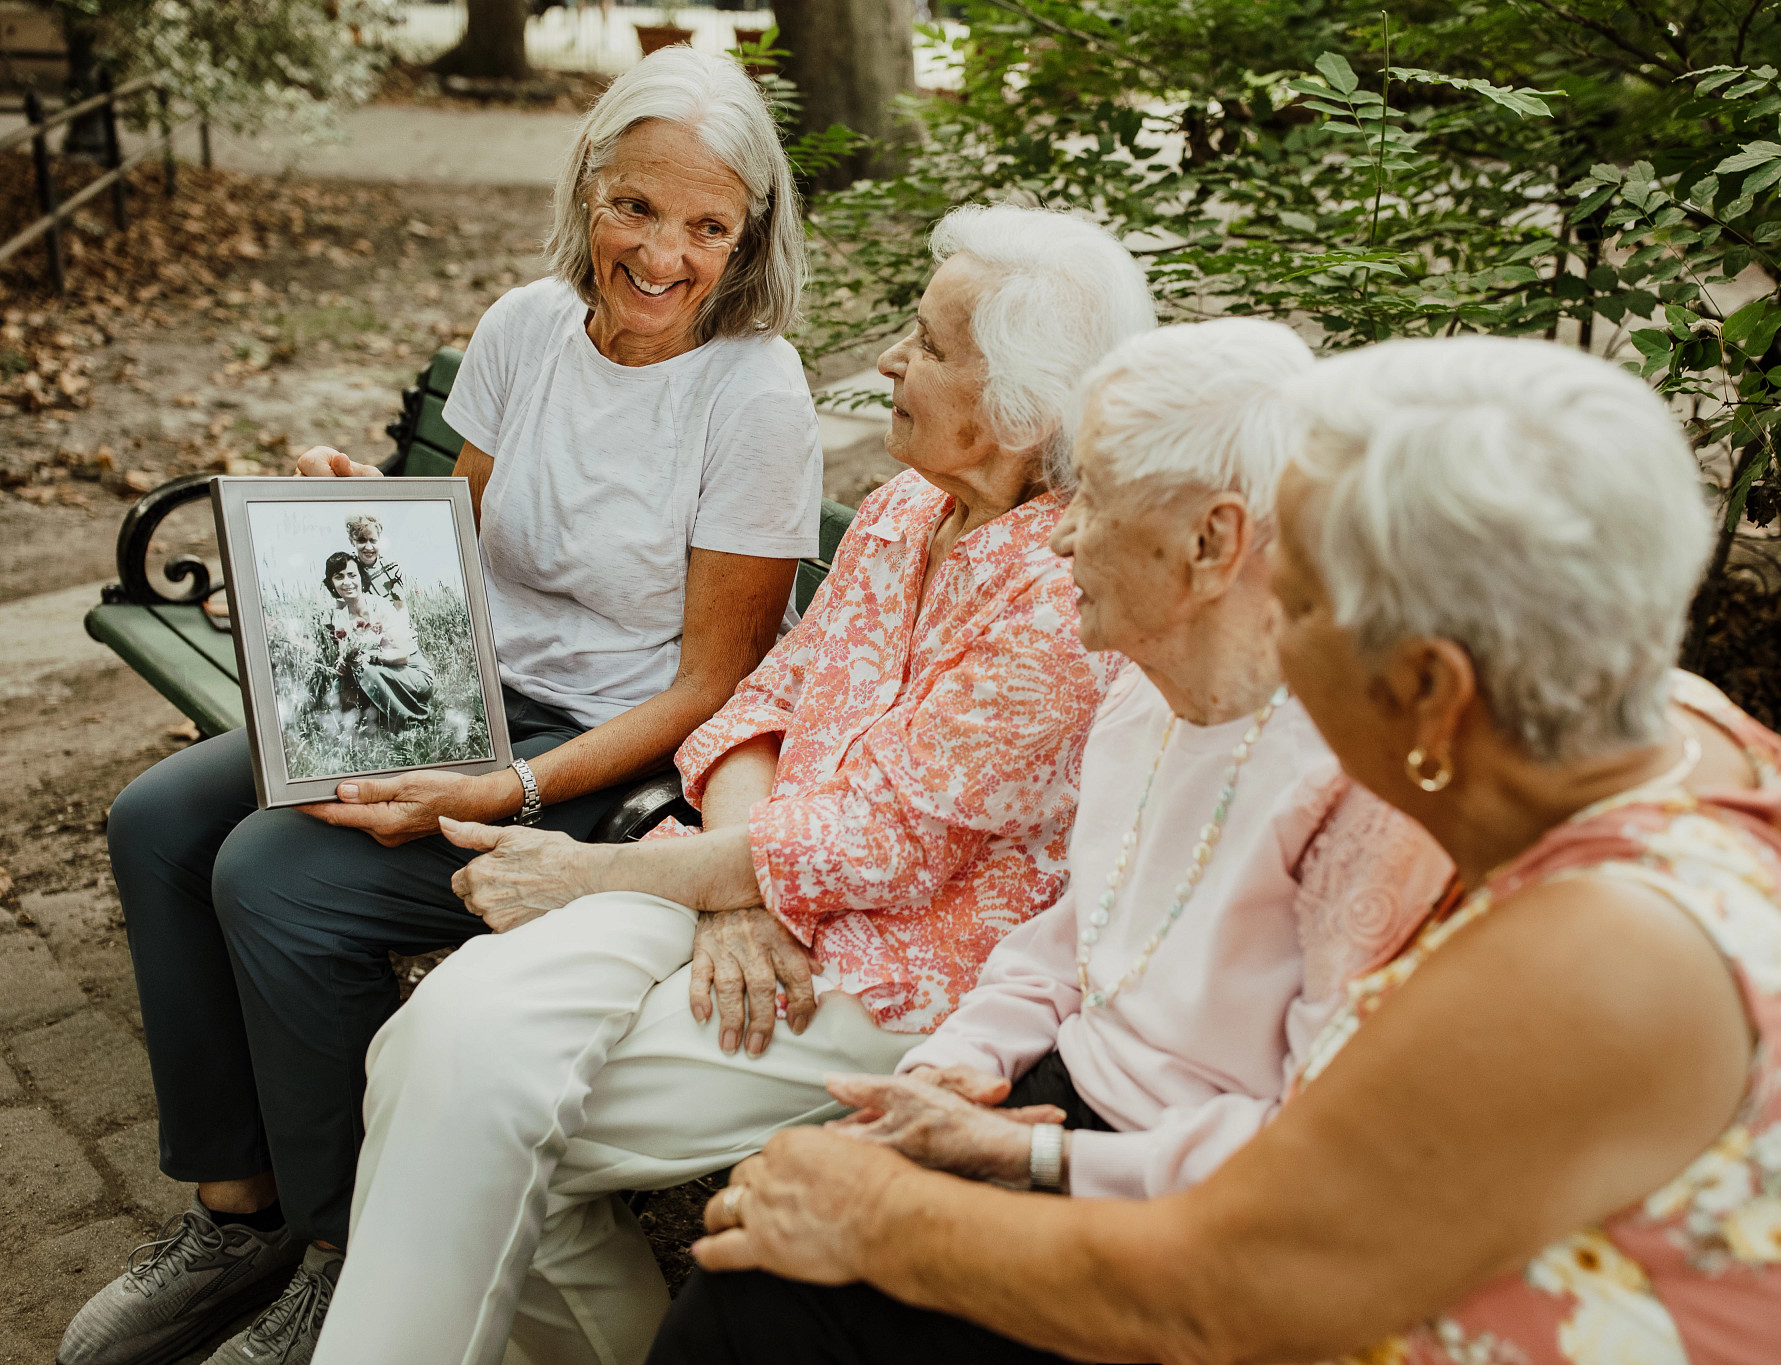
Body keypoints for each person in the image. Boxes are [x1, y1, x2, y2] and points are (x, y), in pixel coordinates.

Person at [658, 336, 1781, 1365]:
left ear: (1428, 688)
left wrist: (870, 1215)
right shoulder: (1652, 729)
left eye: (1295, 602)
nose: (1266, 638)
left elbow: (1220, 1288)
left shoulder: (1616, 948)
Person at [64, 44, 821, 1365]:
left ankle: (350, 1257)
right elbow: (453, 541)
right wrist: (359, 504)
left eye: (708, 225)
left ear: (749, 234)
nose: (663, 254)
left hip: (607, 756)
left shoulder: (751, 393)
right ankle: (239, 1212)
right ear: (588, 185)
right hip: (459, 688)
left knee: (277, 881)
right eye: (635, 207)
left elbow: (716, 686)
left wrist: (507, 789)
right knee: (158, 822)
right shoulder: (529, 325)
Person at [308, 203, 1158, 1365]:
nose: (886, 362)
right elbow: (766, 701)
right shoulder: (912, 506)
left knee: (471, 1118)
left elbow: (884, 846)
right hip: (735, 874)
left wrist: (589, 876)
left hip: (897, 961)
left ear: (1019, 407)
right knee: (429, 1049)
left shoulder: (1062, 594)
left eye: (926, 345)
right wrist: (742, 886)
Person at [660, 318, 1456, 1363]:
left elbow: (1316, 1152)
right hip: (1047, 1101)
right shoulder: (1139, 695)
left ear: (1212, 544)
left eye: (1096, 501)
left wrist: (1035, 1165)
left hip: (1186, 1210)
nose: (1057, 535)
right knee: (749, 1261)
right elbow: (1062, 941)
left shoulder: (1359, 784)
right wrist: (949, 1073)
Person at [324, 552, 434, 735]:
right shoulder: (341, 617)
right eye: (339, 577)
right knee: (341, 682)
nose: (347, 582)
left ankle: (415, 722)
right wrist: (342, 664)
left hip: (413, 675)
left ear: (361, 577)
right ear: (332, 584)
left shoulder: (380, 606)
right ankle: (357, 728)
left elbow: (403, 655)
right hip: (382, 674)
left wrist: (370, 657)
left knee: (365, 668)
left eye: (352, 575)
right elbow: (345, 655)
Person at [343, 515, 404, 607]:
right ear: (352, 541)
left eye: (373, 541)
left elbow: (400, 608)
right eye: (361, 541)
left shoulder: (391, 567)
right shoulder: (347, 569)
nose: (368, 547)